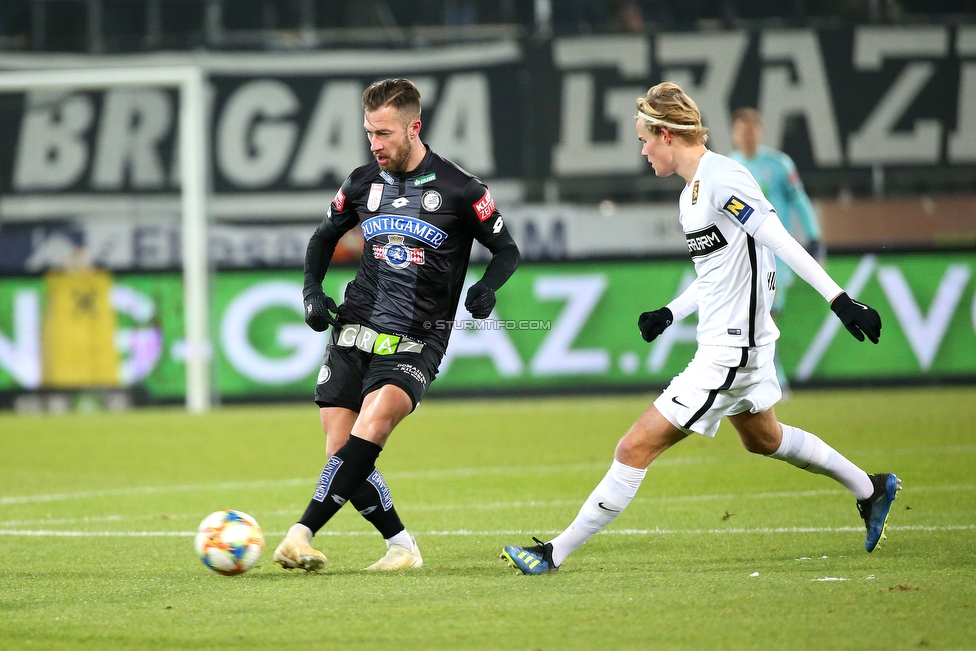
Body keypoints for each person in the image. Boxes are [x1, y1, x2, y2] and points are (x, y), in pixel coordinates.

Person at [501, 82, 899, 575]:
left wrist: (840, 299)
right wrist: (671, 312)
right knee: (764, 439)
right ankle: (871, 488)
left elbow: (776, 236)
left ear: (667, 134)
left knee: (634, 446)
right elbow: (716, 275)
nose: (642, 150)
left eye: (645, 138)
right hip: (735, 346)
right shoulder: (690, 196)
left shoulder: (724, 179)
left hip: (731, 351)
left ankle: (553, 553)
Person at [275, 78, 520, 573]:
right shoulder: (362, 181)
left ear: (414, 127)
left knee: (375, 422)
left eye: (384, 133)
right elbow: (322, 239)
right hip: (356, 324)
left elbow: (507, 250)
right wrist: (312, 293)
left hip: (418, 334)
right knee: (341, 448)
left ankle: (300, 533)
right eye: (369, 133)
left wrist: (487, 286)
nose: (374, 144)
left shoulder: (462, 189)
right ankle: (402, 547)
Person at [730, 107, 824, 395]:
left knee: (766, 316)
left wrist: (814, 236)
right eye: (742, 130)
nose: (747, 135)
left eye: (752, 129)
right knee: (753, 319)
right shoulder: (727, 167)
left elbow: (799, 200)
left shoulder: (779, 164)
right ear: (734, 133)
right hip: (742, 256)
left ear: (760, 131)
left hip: (776, 254)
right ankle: (768, 380)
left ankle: (774, 380)